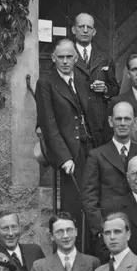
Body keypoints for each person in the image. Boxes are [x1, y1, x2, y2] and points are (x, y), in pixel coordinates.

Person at [36, 38, 99, 243]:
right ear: (53, 58)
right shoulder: (46, 83)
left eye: (69, 57)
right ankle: (72, 249)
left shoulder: (81, 81)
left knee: (91, 200)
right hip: (70, 153)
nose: (65, 61)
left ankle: (90, 249)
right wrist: (64, 158)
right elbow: (49, 124)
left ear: (76, 58)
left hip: (89, 148)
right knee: (73, 204)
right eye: (60, 57)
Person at [81, 102, 137, 245]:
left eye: (127, 119)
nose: (122, 123)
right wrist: (101, 231)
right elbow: (89, 198)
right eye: (118, 119)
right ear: (111, 122)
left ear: (135, 122)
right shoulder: (97, 156)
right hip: (109, 232)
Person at [71, 12, 119, 131]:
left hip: (99, 121)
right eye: (81, 27)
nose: (85, 30)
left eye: (89, 27)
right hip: (74, 120)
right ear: (74, 30)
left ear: (94, 32)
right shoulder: (66, 56)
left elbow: (115, 88)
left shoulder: (104, 58)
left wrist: (105, 89)